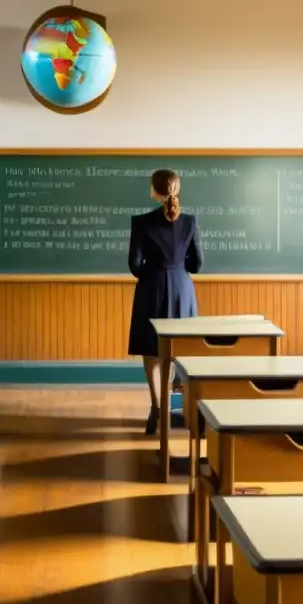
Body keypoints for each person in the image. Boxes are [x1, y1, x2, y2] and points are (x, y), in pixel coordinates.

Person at [127, 168, 203, 435]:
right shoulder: (190, 222)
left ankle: (157, 408)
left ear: (154, 190)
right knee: (178, 350)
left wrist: (155, 270)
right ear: (176, 190)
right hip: (182, 289)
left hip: (152, 289)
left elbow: (135, 266)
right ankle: (175, 407)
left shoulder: (141, 222)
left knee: (152, 351)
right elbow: (198, 264)